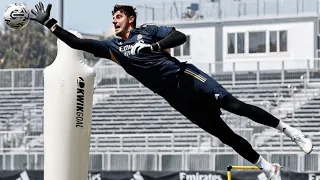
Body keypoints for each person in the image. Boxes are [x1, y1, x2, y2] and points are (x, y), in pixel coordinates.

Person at [30, 2, 312, 179]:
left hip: (187, 77)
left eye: (118, 16)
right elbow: (78, 44)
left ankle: (289, 130)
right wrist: (48, 24)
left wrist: (152, 47)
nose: (114, 21)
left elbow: (180, 36)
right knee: (225, 135)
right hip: (176, 98)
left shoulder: (148, 30)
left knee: (234, 105)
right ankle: (267, 167)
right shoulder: (111, 48)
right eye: (112, 17)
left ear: (130, 18)